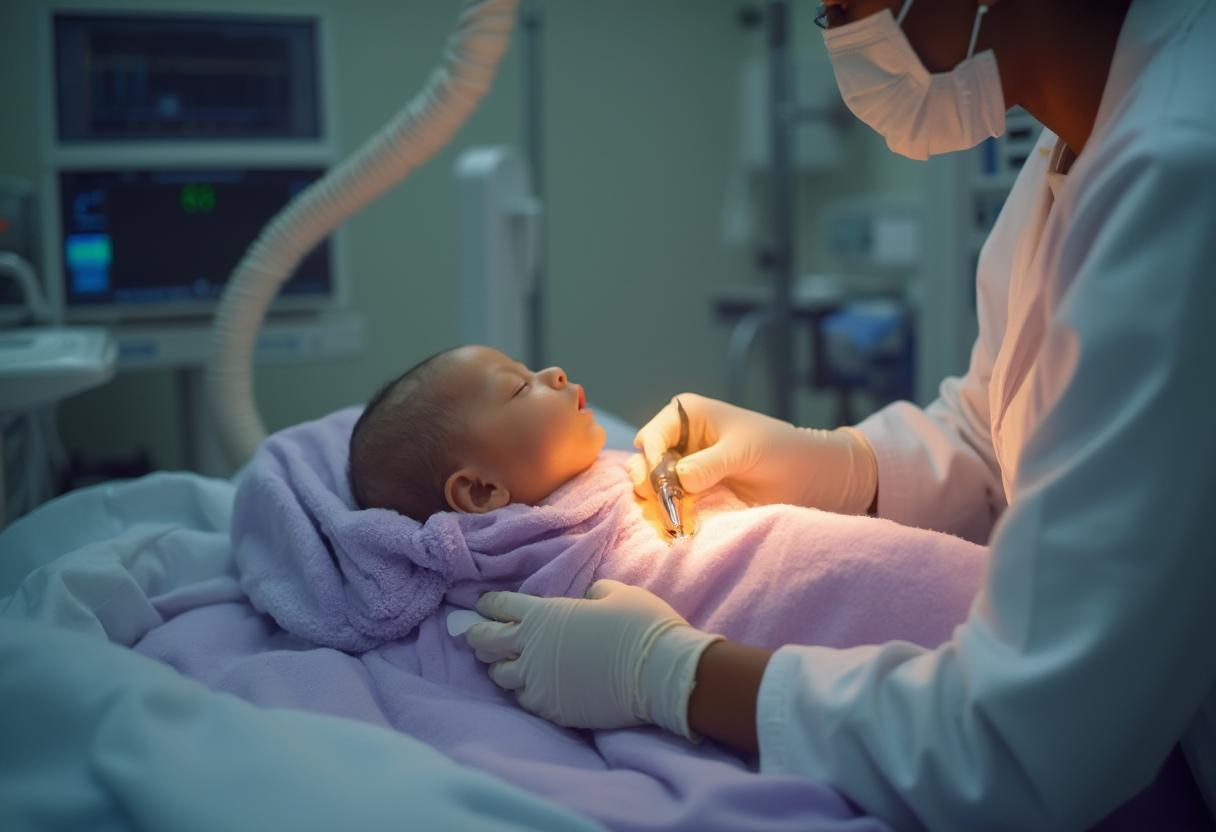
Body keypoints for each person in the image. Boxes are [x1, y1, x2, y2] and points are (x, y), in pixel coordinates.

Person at [467, 0, 1216, 828]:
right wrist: (831, 461)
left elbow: (1028, 741)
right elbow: (997, 435)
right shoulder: (1072, 150)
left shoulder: (1180, 173)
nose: (838, 36)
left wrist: (673, 674)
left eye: (844, 8)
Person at [348, 345, 606, 520]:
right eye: (519, 387)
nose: (555, 372)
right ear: (481, 490)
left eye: (529, 370)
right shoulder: (529, 561)